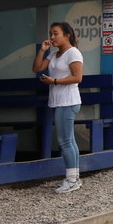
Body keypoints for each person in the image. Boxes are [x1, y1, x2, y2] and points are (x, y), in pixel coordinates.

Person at [32, 22, 84, 194]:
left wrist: (54, 81)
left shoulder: (73, 52)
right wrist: (42, 50)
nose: (52, 37)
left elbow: (77, 77)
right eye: (51, 33)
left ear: (67, 35)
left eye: (56, 33)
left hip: (68, 101)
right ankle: (74, 177)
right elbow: (37, 68)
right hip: (59, 101)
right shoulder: (54, 54)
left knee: (65, 141)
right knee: (69, 140)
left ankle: (70, 180)